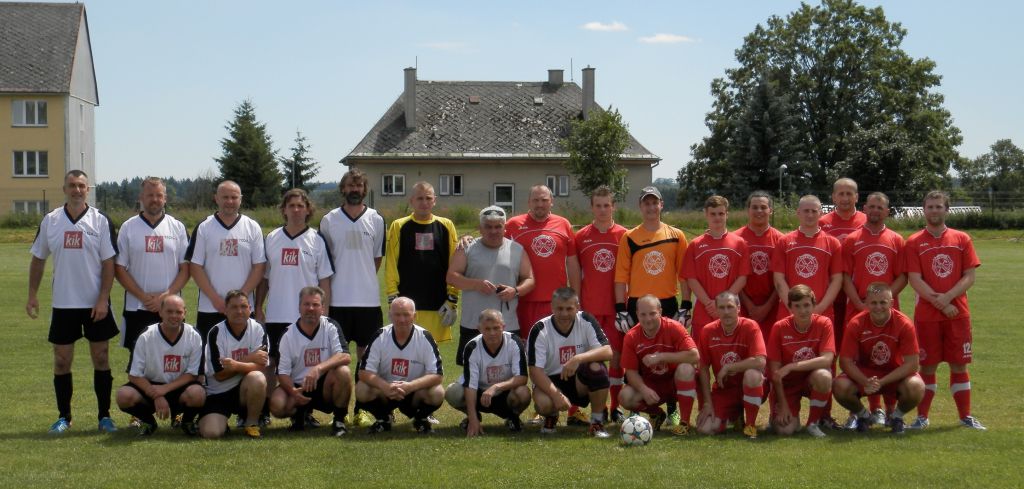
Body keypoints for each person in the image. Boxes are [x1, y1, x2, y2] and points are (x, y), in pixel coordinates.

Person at [27, 169, 120, 435]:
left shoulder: (100, 220)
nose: (77, 190)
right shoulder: (51, 220)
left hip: (94, 304)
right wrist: (32, 294)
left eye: (81, 185)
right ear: (64, 189)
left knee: (101, 357)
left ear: (88, 190)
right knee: (61, 360)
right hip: (63, 303)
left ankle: (104, 417)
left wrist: (103, 299)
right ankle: (64, 417)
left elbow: (109, 263)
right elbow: (38, 258)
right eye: (72, 185)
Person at [905, 191, 985, 430]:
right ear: (924, 210)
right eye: (930, 207)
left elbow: (969, 276)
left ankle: (965, 416)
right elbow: (914, 279)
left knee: (959, 365)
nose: (934, 210)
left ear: (947, 210)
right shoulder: (914, 241)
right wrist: (941, 303)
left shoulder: (962, 238)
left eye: (939, 206)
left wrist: (948, 298)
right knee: (927, 367)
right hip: (927, 316)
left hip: (957, 313)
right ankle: (922, 417)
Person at [255, 188, 334, 427]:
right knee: (270, 363)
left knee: (306, 364)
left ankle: (305, 411)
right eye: (292, 206)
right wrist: (258, 306)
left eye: (301, 206)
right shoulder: (272, 238)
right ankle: (264, 410)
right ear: (284, 210)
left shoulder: (317, 239)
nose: (296, 210)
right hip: (277, 313)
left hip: (307, 316)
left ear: (308, 210)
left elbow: (324, 280)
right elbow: (264, 278)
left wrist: (325, 311)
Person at [614, 186, 689, 427]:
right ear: (640, 206)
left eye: (654, 202)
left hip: (666, 302)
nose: (651, 207)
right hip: (638, 304)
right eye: (646, 203)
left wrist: (686, 304)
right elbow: (621, 277)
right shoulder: (629, 237)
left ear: (661, 205)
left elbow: (684, 274)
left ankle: (673, 408)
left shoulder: (676, 235)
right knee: (637, 356)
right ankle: (641, 408)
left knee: (671, 357)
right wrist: (620, 309)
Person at [319, 168, 385, 427]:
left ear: (364, 190)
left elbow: (376, 259)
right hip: (338, 300)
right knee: (339, 358)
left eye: (358, 186)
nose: (354, 190)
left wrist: (362, 277)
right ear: (343, 189)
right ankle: (340, 411)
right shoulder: (329, 220)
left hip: (368, 301)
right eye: (350, 185)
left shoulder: (376, 219)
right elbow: (324, 260)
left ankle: (362, 409)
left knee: (366, 356)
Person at [772, 194, 843, 429]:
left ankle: (823, 416)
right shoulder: (785, 241)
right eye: (806, 211)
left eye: (814, 211)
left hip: (822, 313)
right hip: (789, 313)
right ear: (798, 213)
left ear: (821, 213)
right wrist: (793, 307)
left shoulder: (832, 243)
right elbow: (779, 278)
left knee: (825, 367)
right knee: (782, 363)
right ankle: (778, 410)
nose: (810, 215)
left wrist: (818, 308)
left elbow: (837, 279)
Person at [841, 191, 906, 427]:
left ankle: (889, 411)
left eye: (880, 207)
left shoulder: (896, 240)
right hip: (857, 308)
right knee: (859, 359)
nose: (876, 210)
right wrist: (861, 304)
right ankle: (860, 412)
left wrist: (884, 300)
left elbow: (902, 276)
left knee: (888, 358)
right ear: (864, 209)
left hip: (887, 310)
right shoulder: (852, 239)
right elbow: (845, 276)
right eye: (872, 206)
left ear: (887, 211)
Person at [447, 206, 534, 366]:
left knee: (511, 369)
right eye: (488, 227)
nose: (493, 231)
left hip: (507, 324)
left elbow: (529, 279)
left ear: (505, 228)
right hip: (474, 323)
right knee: (471, 371)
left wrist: (515, 291)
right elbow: (451, 277)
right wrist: (476, 284)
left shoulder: (517, 249)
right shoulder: (466, 248)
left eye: (498, 227)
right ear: (480, 228)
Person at [833, 283, 924, 435]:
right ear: (867, 303)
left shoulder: (904, 324)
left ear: (892, 303)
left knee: (916, 386)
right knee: (839, 386)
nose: (878, 307)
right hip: (865, 374)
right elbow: (845, 361)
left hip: (893, 374)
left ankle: (896, 417)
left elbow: (912, 364)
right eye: (873, 303)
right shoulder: (856, 323)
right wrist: (865, 381)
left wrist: (882, 382)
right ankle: (864, 416)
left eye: (883, 302)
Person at [115, 177, 190, 355]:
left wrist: (165, 297)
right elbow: (119, 268)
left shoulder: (178, 227)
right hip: (137, 306)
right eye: (150, 195)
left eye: (159, 195)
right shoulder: (128, 227)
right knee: (137, 359)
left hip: (171, 308)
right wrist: (143, 297)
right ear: (141, 197)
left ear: (165, 198)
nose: (155, 199)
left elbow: (186, 269)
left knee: (172, 357)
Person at [185, 180, 266, 341]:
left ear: (240, 199)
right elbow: (195, 266)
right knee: (210, 353)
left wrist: (240, 299)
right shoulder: (204, 227)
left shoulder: (252, 227)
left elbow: (259, 266)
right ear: (216, 198)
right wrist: (215, 299)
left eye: (234, 197)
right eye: (225, 197)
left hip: (243, 308)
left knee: (244, 352)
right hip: (211, 307)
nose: (230, 201)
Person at [574, 185, 628, 422]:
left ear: (613, 206)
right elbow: (575, 272)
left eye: (607, 205)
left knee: (616, 358)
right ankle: (575, 410)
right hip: (589, 309)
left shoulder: (625, 235)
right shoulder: (581, 236)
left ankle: (615, 407)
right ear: (592, 207)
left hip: (616, 308)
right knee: (585, 358)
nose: (603, 210)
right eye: (598, 205)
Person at [527, 288, 613, 437]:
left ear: (577, 307)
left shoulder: (586, 320)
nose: (564, 313)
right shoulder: (540, 329)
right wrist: (556, 395)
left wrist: (577, 359)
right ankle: (551, 416)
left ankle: (596, 422)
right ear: (552, 307)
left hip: (579, 380)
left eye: (569, 309)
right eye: (560, 308)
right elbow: (535, 372)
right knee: (544, 404)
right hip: (550, 381)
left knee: (597, 369)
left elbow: (607, 351)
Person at [116, 295, 205, 436]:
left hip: (179, 386)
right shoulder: (146, 336)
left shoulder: (193, 335)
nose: (174, 316)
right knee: (123, 396)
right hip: (151, 386)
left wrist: (165, 389)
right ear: (160, 312)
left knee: (198, 393)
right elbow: (134, 375)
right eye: (169, 311)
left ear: (185, 313)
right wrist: (157, 395)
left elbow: (193, 374)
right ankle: (148, 422)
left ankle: (186, 421)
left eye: (178, 312)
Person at [269, 287, 352, 437]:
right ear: (299, 307)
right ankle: (300, 415)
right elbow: (282, 373)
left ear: (322, 308)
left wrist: (318, 369)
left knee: (344, 372)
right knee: (277, 404)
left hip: (324, 386)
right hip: (298, 387)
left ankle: (339, 421)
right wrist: (293, 392)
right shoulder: (288, 335)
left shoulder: (331, 326)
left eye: (315, 304)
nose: (311, 308)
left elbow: (345, 356)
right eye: (306, 304)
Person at [356, 297, 445, 434]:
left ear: (414, 316)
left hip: (414, 392)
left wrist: (410, 386)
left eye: (406, 315)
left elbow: (437, 375)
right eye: (397, 314)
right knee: (361, 389)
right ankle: (383, 419)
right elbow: (364, 372)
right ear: (390, 315)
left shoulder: (425, 337)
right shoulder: (380, 336)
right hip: (386, 392)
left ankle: (421, 419)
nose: (402, 319)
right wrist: (385, 386)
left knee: (437, 392)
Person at [385, 181, 459, 342]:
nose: (424, 202)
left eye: (428, 198)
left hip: (438, 304)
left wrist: (452, 298)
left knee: (433, 352)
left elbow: (455, 265)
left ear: (435, 200)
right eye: (419, 198)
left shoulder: (446, 225)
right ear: (411, 201)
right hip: (407, 305)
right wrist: (392, 298)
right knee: (406, 348)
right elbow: (391, 263)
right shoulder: (399, 225)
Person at [504, 184, 580, 339]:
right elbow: (492, 242)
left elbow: (572, 263)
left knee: (557, 346)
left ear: (551, 201)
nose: (540, 204)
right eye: (535, 200)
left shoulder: (564, 224)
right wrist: (468, 239)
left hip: (557, 301)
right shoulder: (513, 224)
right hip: (524, 300)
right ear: (528, 202)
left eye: (544, 200)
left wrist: (576, 297)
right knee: (527, 346)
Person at [618, 295, 699, 435]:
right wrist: (643, 389)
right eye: (643, 314)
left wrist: (661, 357)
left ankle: (684, 423)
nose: (648, 319)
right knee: (625, 397)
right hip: (652, 385)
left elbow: (694, 355)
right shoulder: (631, 336)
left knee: (686, 368)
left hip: (675, 382)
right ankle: (657, 414)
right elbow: (630, 372)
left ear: (660, 312)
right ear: (637, 314)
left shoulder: (674, 327)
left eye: (652, 313)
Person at [444, 309, 531, 437]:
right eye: (487, 329)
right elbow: (470, 385)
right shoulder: (472, 347)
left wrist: (496, 387)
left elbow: (522, 377)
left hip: (505, 393)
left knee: (523, 392)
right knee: (453, 392)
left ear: (503, 327)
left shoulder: (514, 342)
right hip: (479, 393)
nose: (492, 333)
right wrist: (473, 419)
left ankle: (513, 417)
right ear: (479, 329)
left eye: (496, 328)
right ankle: (473, 416)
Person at [198, 290, 270, 439]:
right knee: (211, 433)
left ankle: (251, 424)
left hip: (245, 390)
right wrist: (249, 358)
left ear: (250, 308)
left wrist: (236, 365)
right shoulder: (216, 332)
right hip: (218, 393)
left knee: (257, 377)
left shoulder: (258, 328)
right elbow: (220, 375)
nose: (239, 311)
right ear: (225, 310)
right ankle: (217, 422)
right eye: (234, 307)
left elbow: (262, 368)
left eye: (243, 306)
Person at [695, 292, 766, 439]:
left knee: (752, 374)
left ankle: (750, 425)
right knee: (705, 428)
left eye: (730, 307)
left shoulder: (750, 326)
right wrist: (707, 403)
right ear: (716, 310)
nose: (726, 312)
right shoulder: (708, 331)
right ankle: (735, 415)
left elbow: (760, 361)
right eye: (721, 308)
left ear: (738, 308)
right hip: (725, 389)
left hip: (752, 385)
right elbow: (702, 368)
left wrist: (729, 367)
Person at [766, 285, 835, 438]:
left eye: (806, 305)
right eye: (797, 306)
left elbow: (827, 360)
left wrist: (792, 366)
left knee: (824, 376)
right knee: (785, 431)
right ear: (790, 307)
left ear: (814, 305)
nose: (802, 310)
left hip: (811, 379)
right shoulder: (779, 327)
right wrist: (783, 405)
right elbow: (775, 374)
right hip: (787, 385)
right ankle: (778, 415)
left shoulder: (824, 323)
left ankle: (812, 423)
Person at [681, 195, 750, 345]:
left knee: (731, 351)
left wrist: (723, 303)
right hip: (704, 309)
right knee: (701, 353)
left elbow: (742, 277)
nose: (717, 217)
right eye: (713, 214)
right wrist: (709, 304)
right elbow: (691, 279)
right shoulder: (695, 245)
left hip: (730, 308)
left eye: (721, 213)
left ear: (727, 214)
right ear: (706, 214)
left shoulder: (739, 243)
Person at [736, 191, 785, 340]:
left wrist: (767, 306)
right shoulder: (735, 239)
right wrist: (749, 306)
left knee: (770, 350)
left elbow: (782, 279)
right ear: (748, 210)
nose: (759, 211)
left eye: (763, 207)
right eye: (755, 207)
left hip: (773, 305)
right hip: (742, 304)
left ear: (771, 210)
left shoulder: (781, 240)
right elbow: (733, 278)